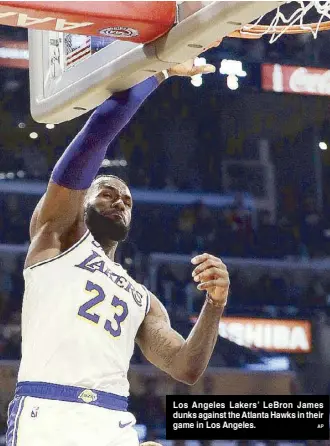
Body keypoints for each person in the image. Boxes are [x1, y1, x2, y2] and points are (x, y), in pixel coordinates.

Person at [6, 48, 229, 446]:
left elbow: (185, 367)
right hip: (50, 411)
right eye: (108, 193)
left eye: (127, 201)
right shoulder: (56, 236)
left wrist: (214, 306)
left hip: (113, 420)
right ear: (83, 199)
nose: (120, 203)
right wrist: (158, 71)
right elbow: (98, 134)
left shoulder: (144, 299)